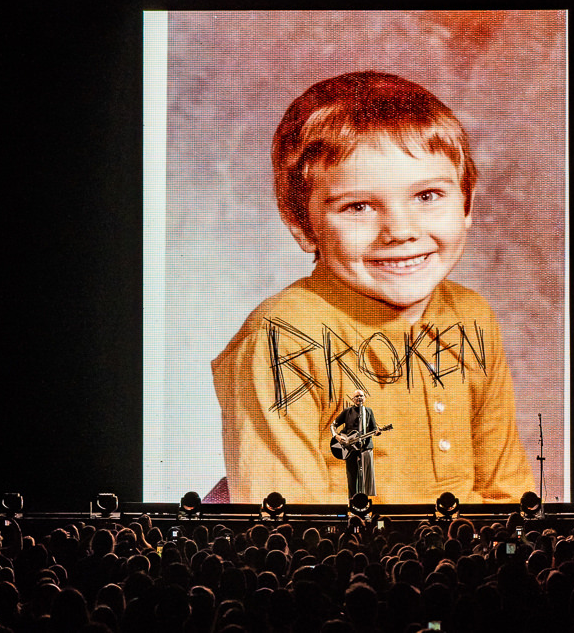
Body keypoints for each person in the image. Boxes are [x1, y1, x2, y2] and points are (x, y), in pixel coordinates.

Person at [212, 70, 536, 504]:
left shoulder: (471, 315)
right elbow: (291, 529)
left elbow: (509, 494)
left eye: (427, 196)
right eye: (359, 206)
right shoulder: (282, 336)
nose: (400, 231)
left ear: (467, 204)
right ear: (302, 226)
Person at [331, 390, 383, 498]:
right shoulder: (347, 411)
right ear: (353, 399)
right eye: (357, 396)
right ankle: (352, 504)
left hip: (365, 448)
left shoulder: (368, 411)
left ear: (365, 398)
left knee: (366, 479)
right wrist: (336, 436)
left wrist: (377, 432)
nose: (359, 398)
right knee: (352, 477)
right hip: (350, 449)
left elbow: (374, 428)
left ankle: (364, 506)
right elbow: (333, 425)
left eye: (361, 396)